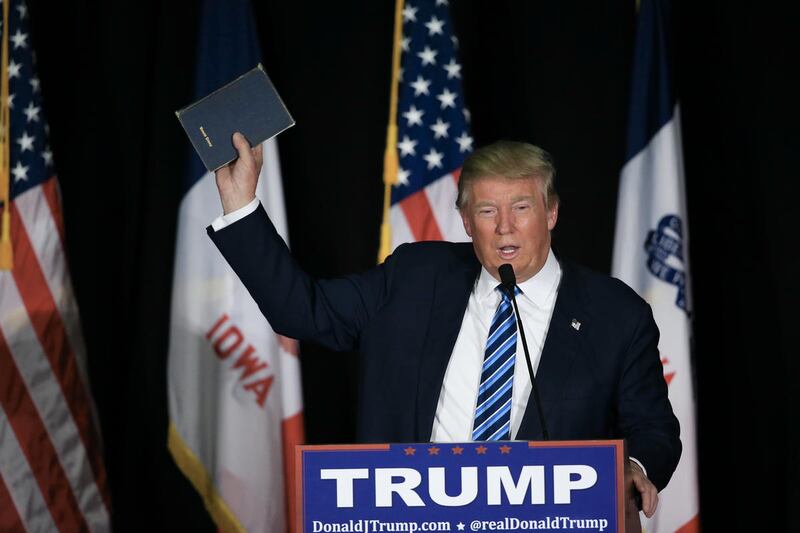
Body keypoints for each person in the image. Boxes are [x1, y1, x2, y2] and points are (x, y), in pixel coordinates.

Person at [208, 133, 681, 517]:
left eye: (521, 207)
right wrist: (241, 204)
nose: (505, 228)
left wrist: (634, 467)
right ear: (466, 221)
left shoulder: (616, 314)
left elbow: (654, 427)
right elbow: (302, 311)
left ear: (551, 212)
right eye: (487, 211)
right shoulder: (414, 276)